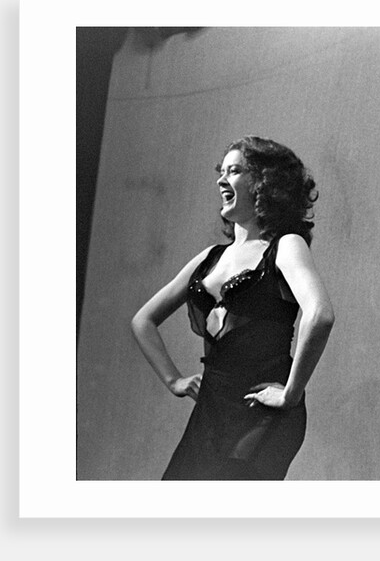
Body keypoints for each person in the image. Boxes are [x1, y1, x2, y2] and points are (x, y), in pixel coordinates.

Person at [131, 136, 334, 480]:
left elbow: (320, 315)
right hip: (210, 414)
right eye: (221, 172)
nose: (221, 180)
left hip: (262, 416)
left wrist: (291, 394)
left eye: (235, 171)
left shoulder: (285, 246)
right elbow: (143, 320)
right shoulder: (210, 257)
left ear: (265, 183)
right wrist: (174, 380)